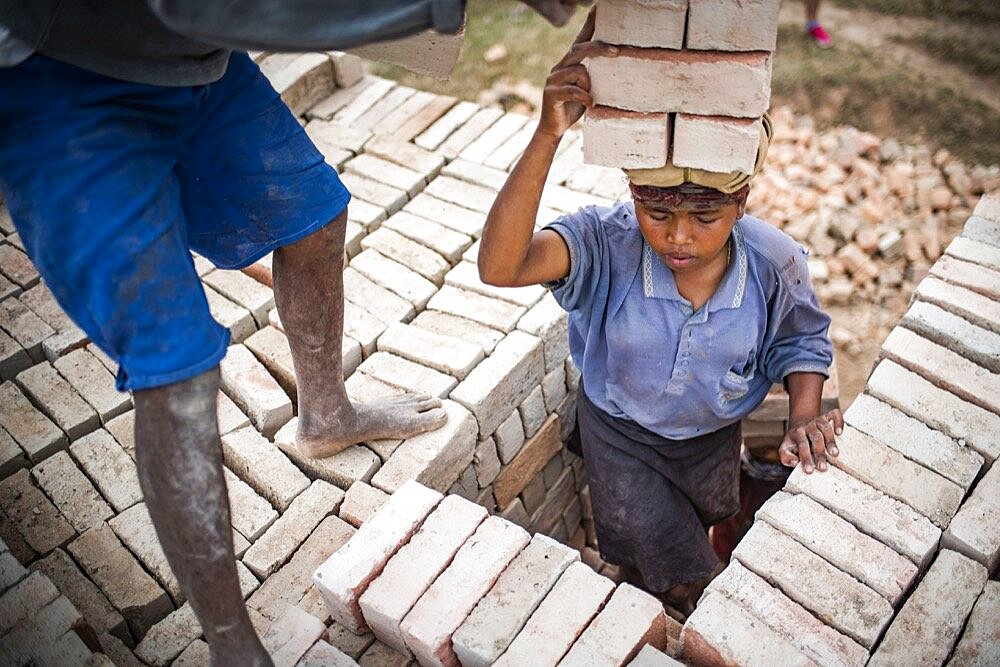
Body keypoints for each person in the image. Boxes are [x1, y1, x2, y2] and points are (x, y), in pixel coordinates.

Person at [0, 1, 591, 663]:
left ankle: (326, 414)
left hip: (192, 60)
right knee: (178, 368)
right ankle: (233, 645)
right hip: (61, 78)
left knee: (313, 216)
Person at [479, 11, 843, 617]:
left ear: (742, 200)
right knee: (662, 557)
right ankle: (668, 603)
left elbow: (801, 341)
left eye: (705, 219)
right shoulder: (604, 246)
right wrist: (547, 134)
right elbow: (502, 265)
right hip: (620, 435)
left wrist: (803, 414)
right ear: (632, 198)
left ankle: (691, 556)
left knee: (709, 514)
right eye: (657, 214)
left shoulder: (773, 263)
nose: (679, 238)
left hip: (712, 437)